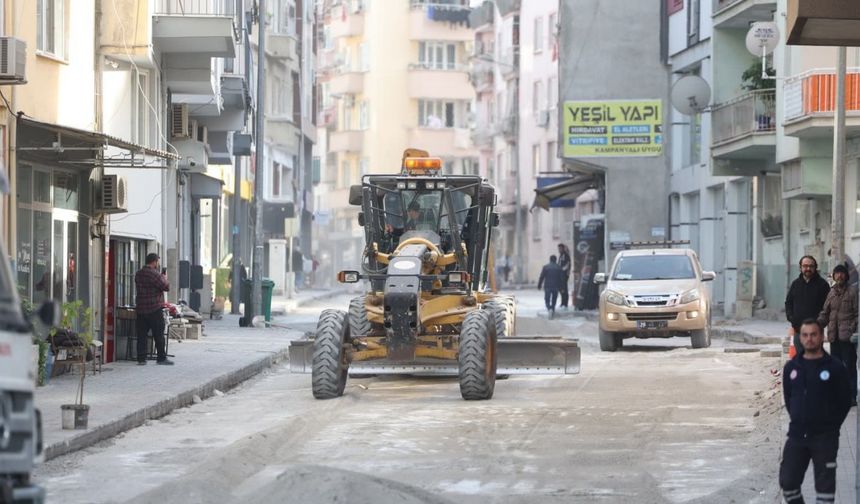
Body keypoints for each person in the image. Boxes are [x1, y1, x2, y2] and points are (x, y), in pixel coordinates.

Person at [779, 319, 852, 504]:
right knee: (788, 483)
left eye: (813, 334)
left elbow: (844, 401)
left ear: (821, 337)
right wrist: (799, 418)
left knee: (825, 492)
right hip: (797, 436)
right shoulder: (791, 367)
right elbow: (789, 398)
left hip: (824, 438)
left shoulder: (835, 367)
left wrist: (831, 427)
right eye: (805, 335)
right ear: (800, 338)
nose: (809, 339)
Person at [818, 263, 858, 404]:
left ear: (846, 276)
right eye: (837, 273)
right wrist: (817, 325)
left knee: (850, 368)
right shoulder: (831, 292)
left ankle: (851, 396)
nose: (839, 276)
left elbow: (857, 314)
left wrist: (854, 330)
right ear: (834, 276)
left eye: (842, 273)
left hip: (847, 338)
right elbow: (825, 313)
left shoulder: (853, 292)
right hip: (833, 337)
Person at [785, 255, 830, 358]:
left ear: (815, 267)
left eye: (811, 266)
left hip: (815, 331)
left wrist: (820, 324)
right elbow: (788, 303)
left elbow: (828, 307)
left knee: (815, 359)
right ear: (800, 267)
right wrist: (792, 318)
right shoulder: (795, 284)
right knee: (800, 359)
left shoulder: (823, 285)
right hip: (798, 330)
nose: (808, 268)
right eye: (805, 266)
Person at [134, 253, 173, 365]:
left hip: (141, 308)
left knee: (141, 335)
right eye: (157, 262)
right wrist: (164, 278)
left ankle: (141, 358)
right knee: (158, 334)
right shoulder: (155, 274)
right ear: (154, 262)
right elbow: (166, 287)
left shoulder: (138, 273)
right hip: (154, 308)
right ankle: (161, 358)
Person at [557, 243, 572, 308]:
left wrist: (562, 270)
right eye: (558, 248)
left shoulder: (566, 255)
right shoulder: (561, 255)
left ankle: (565, 303)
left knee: (564, 288)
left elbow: (567, 265)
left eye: (560, 248)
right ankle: (563, 302)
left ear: (563, 248)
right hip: (560, 274)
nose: (559, 250)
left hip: (564, 274)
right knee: (561, 288)